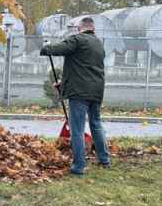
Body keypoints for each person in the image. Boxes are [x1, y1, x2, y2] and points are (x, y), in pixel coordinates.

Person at [40, 15, 111, 176]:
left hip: (79, 94)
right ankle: (105, 159)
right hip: (96, 92)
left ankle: (79, 166)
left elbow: (59, 49)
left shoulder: (78, 39)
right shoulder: (99, 44)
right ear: (93, 29)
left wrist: (46, 48)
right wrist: (63, 85)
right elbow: (83, 69)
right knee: (96, 124)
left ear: (81, 28)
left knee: (77, 129)